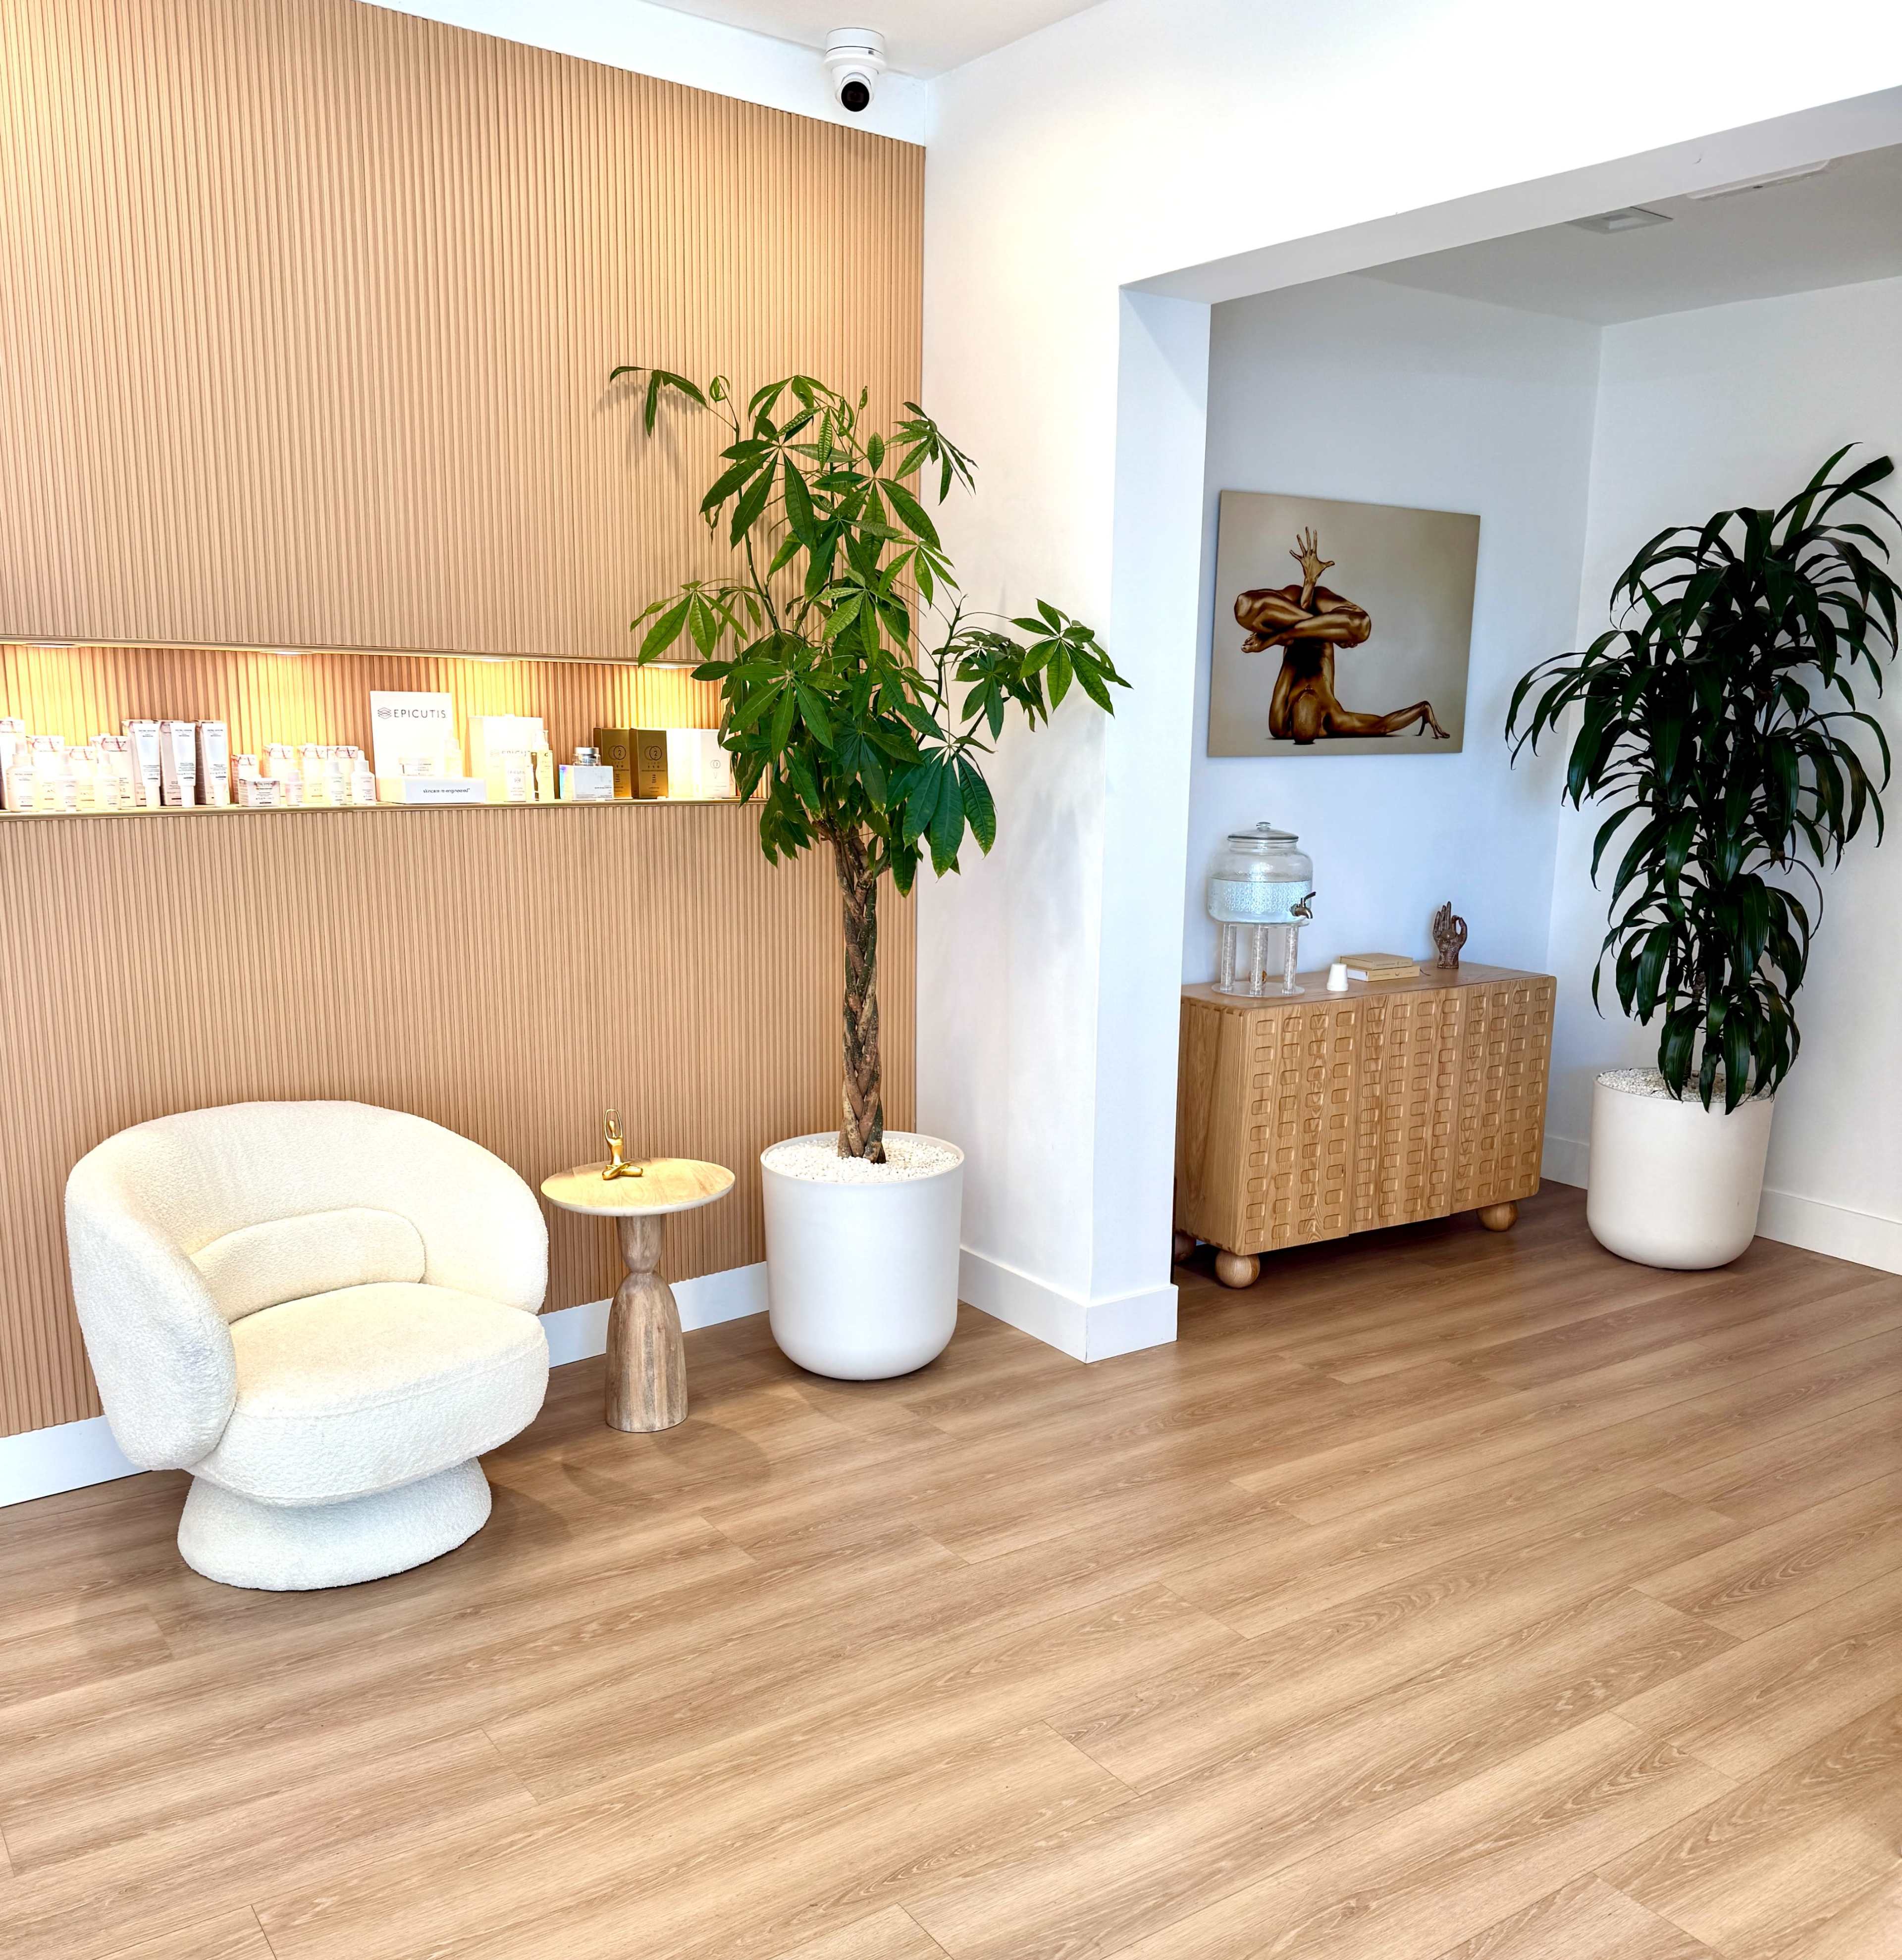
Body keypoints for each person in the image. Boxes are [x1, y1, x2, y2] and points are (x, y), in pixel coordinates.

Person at [1235, 528, 1449, 743]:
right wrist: (1422, 710)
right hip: (1329, 620)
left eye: (1302, 694)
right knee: (1362, 626)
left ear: (1292, 710)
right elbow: (1382, 726)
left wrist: (1306, 590)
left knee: (1244, 607)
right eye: (1311, 694)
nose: (1308, 688)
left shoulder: (1279, 724)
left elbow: (1293, 649)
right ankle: (1312, 603)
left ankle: (1309, 599)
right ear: (1320, 714)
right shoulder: (1334, 720)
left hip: (1291, 611)